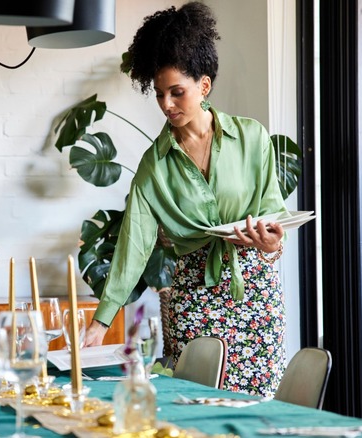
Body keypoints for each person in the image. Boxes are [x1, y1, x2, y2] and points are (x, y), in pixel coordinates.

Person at [84, 2, 288, 397]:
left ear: (204, 86)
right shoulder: (153, 167)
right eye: (159, 94)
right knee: (197, 409)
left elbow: (274, 214)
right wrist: (101, 321)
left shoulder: (253, 138)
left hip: (255, 296)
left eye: (177, 92)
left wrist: (272, 242)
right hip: (191, 300)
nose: (166, 104)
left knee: (258, 413)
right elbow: (133, 247)